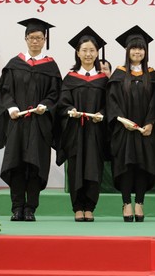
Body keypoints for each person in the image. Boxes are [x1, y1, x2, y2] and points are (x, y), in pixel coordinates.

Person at [0, 18, 62, 222]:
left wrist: (46, 105)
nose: (35, 41)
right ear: (25, 38)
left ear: (45, 40)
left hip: (39, 125)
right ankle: (17, 207)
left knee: (35, 166)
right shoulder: (14, 64)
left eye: (39, 38)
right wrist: (11, 107)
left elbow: (56, 94)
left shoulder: (51, 67)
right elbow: (4, 91)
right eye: (32, 37)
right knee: (16, 165)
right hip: (17, 123)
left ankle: (31, 208)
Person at [107, 26, 155, 222]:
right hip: (124, 131)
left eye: (141, 48)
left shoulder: (152, 75)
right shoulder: (119, 75)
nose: (137, 52)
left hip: (146, 131)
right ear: (127, 50)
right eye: (134, 48)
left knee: (142, 167)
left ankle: (139, 203)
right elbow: (112, 101)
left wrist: (151, 123)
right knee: (127, 167)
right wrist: (122, 120)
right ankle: (126, 203)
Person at [57, 27, 108, 222]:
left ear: (97, 53)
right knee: (76, 168)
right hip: (75, 132)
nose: (88, 54)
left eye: (92, 50)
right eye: (84, 50)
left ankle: (90, 206)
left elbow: (110, 104)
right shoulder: (70, 78)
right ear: (77, 53)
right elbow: (62, 102)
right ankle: (78, 207)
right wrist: (70, 109)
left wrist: (102, 113)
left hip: (95, 132)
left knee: (94, 168)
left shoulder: (103, 80)